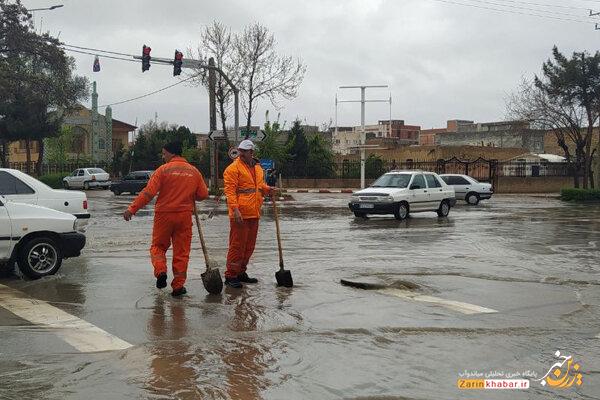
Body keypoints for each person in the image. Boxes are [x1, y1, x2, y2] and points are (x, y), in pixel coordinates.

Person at [123, 141, 209, 297]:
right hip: (184, 216)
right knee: (182, 252)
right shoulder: (194, 171)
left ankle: (161, 271)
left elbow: (148, 193)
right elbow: (203, 195)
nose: (163, 157)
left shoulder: (162, 170)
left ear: (172, 153)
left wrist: (132, 209)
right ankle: (178, 286)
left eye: (164, 153)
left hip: (164, 215)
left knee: (158, 247)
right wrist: (191, 194)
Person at [223, 139, 275, 288]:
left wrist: (267, 189)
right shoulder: (232, 169)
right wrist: (235, 209)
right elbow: (230, 192)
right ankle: (231, 275)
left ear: (251, 152)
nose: (241, 153)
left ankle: (240, 272)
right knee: (237, 246)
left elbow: (258, 186)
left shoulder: (258, 168)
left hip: (254, 212)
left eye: (245, 151)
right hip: (240, 214)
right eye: (241, 151)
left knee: (249, 246)